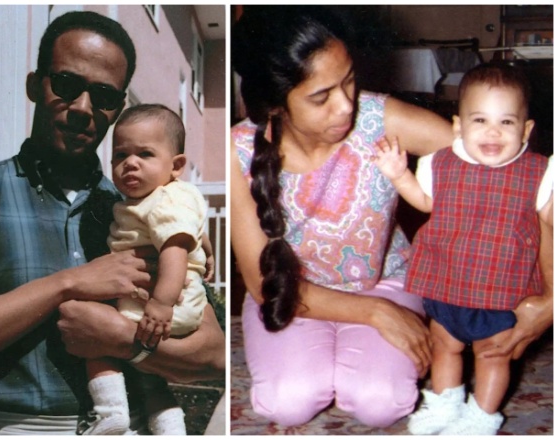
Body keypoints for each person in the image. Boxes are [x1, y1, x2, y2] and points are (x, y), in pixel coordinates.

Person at [230, 6, 552, 430]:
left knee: (382, 403)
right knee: (288, 402)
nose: (346, 105)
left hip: (386, 280)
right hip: (290, 298)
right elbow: (263, 284)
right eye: (321, 96)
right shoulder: (237, 154)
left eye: (349, 80)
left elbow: (526, 185)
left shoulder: (380, 118)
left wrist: (551, 299)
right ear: (275, 103)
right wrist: (376, 313)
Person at [0, 11, 224, 435]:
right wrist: (67, 284)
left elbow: (214, 355)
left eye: (104, 96)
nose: (83, 108)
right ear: (36, 84)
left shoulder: (138, 214)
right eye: (68, 85)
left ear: (118, 108)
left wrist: (119, 339)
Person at [374, 64, 553, 435]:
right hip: (448, 281)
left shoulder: (539, 172)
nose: (492, 131)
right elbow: (424, 201)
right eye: (480, 120)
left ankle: (481, 415)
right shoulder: (440, 163)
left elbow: (549, 223)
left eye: (507, 122)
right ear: (458, 126)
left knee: (492, 354)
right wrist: (398, 175)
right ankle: (445, 402)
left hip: (503, 291)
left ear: (527, 129)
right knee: (445, 345)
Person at [84, 104, 213, 435]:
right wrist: (208, 254)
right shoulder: (182, 196)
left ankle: (110, 411)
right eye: (120, 155)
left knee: (89, 331)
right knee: (151, 381)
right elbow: (194, 233)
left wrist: (161, 304)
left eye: (145, 153)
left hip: (160, 303)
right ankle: (171, 428)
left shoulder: (160, 202)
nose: (130, 163)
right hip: (179, 301)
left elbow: (173, 250)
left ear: (176, 166)